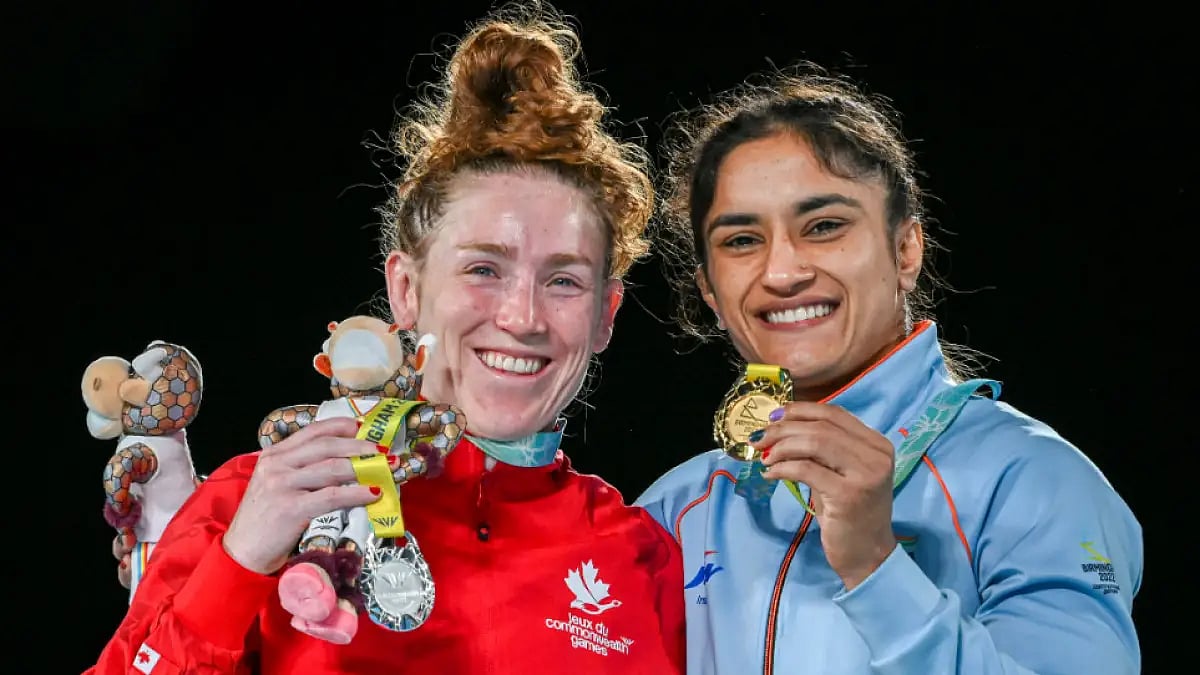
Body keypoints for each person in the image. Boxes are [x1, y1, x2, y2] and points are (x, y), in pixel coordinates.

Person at [88, 5, 686, 673]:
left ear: (606, 315)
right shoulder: (252, 500)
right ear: (406, 289)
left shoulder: (639, 555)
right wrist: (239, 563)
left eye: (564, 281)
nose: (523, 317)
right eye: (483, 270)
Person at [636, 65, 1142, 674]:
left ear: (906, 251)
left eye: (824, 226)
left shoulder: (1034, 481)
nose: (782, 272)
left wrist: (875, 566)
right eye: (741, 240)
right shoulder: (677, 509)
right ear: (710, 292)